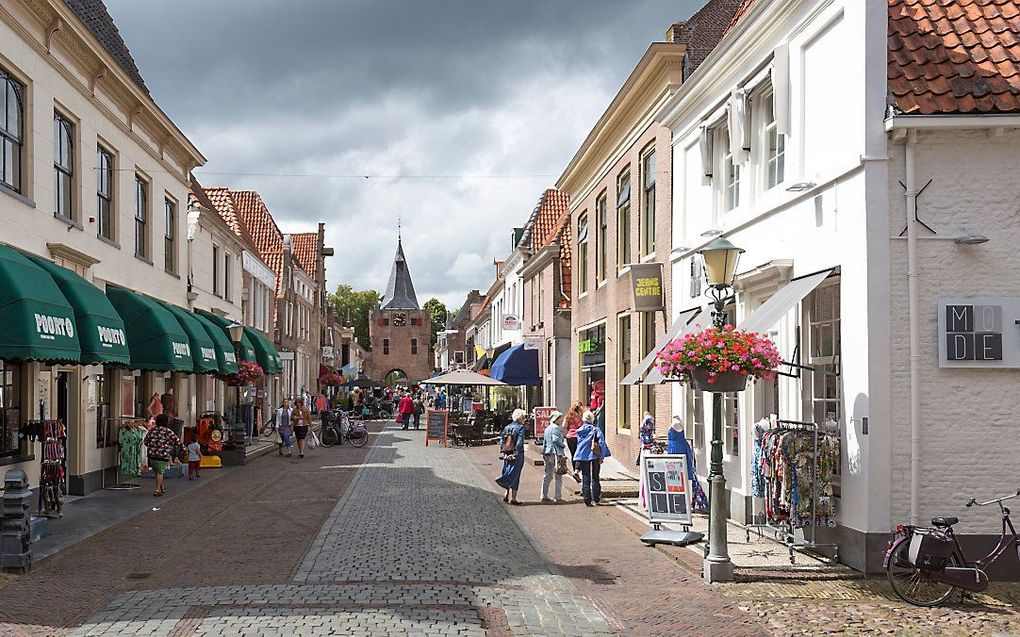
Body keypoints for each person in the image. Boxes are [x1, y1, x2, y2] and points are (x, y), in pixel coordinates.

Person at [667, 417, 708, 511]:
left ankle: (686, 501)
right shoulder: (676, 423)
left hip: (678, 450)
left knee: (683, 476)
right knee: (675, 477)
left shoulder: (676, 424)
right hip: (674, 449)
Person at [573, 410, 611, 507]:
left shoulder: (579, 431)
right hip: (595, 455)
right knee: (595, 477)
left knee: (586, 478)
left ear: (583, 419)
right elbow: (601, 443)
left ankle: (587, 500)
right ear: (592, 419)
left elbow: (579, 443)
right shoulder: (596, 430)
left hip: (583, 456)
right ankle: (596, 499)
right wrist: (602, 456)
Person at [143, 414, 183, 497]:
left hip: (152, 455)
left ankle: (162, 487)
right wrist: (185, 450)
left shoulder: (152, 430)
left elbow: (146, 441)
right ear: (166, 422)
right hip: (163, 455)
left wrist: (152, 447)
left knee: (158, 471)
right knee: (160, 472)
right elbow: (177, 441)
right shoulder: (168, 431)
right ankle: (157, 490)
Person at [495, 408, 528, 505]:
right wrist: (516, 452)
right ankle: (513, 498)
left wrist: (503, 452)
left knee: (507, 471)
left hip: (507, 453)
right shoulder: (521, 428)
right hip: (516, 454)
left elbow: (502, 440)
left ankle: (506, 493)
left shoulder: (507, 427)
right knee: (515, 474)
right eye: (524, 417)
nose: (525, 419)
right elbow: (519, 442)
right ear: (520, 418)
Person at [541, 411, 567, 504]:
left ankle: (544, 495)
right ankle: (558, 496)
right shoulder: (556, 428)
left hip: (547, 453)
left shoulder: (547, 428)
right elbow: (556, 440)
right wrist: (563, 445)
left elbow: (544, 442)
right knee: (558, 475)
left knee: (547, 474)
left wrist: (543, 451)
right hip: (555, 453)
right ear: (556, 419)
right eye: (560, 418)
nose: (561, 420)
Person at [563, 402, 584, 478]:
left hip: (570, 437)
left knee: (573, 454)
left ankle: (575, 471)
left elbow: (564, 426)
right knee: (580, 454)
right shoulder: (581, 416)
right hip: (579, 437)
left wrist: (570, 428)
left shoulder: (568, 415)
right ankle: (577, 471)